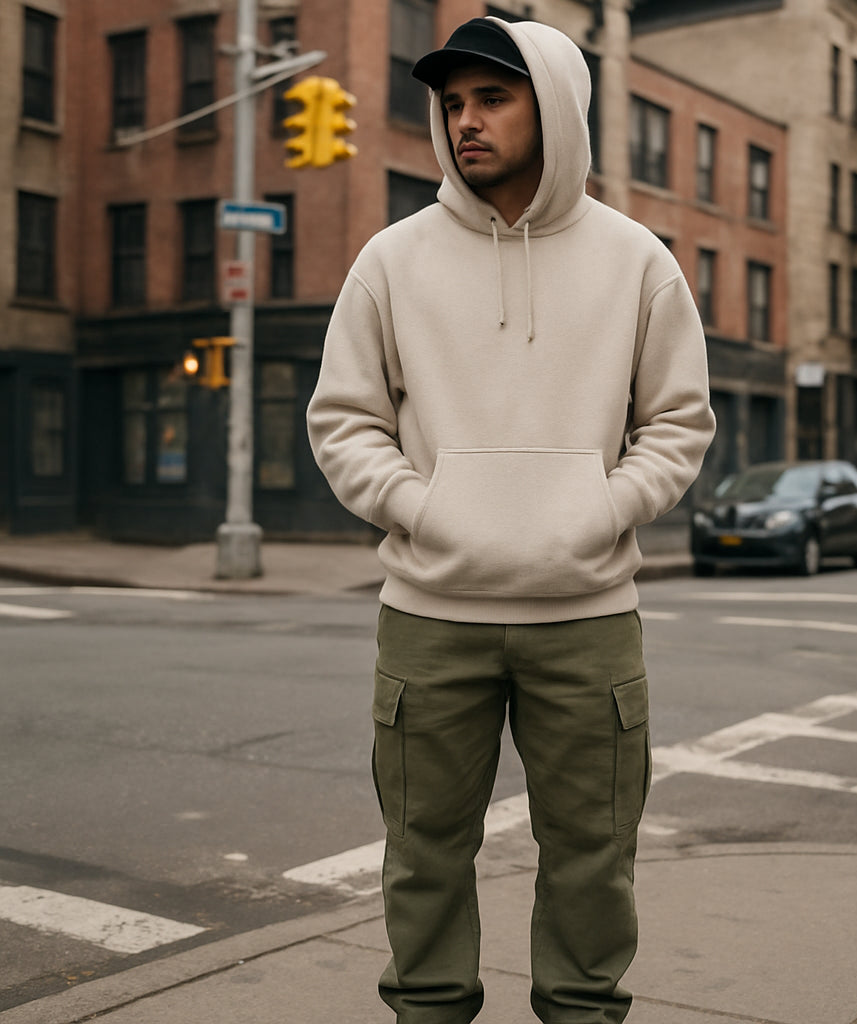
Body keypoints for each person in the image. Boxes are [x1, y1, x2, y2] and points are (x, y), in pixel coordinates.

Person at [307, 16, 715, 1023]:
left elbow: (676, 422)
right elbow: (345, 420)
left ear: (557, 107)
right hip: (429, 615)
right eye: (452, 105)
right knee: (421, 854)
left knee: (592, 854)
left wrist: (600, 510)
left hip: (586, 617)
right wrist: (423, 507)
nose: (465, 122)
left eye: (492, 98)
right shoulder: (392, 260)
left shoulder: (636, 261)